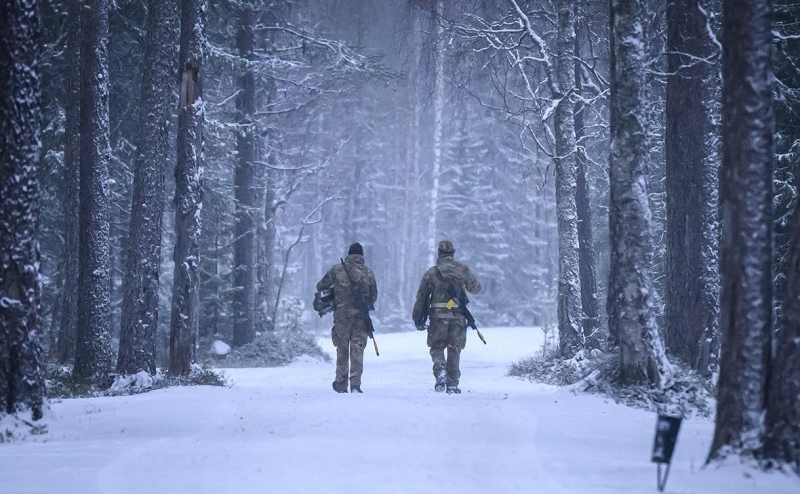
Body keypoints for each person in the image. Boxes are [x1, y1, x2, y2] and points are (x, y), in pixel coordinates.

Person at [412, 240, 481, 394]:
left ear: (439, 253)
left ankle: (440, 369)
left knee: (437, 346)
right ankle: (452, 383)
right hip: (458, 316)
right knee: (455, 348)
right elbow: (475, 289)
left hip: (437, 317)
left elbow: (421, 297)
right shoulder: (463, 270)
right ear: (453, 253)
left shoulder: (431, 273)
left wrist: (417, 317)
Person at [316, 242, 378, 393]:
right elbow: (373, 296)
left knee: (342, 348)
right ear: (361, 256)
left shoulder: (337, 270)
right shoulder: (368, 273)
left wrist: (336, 294)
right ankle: (356, 384)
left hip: (342, 315)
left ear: (349, 254)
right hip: (361, 316)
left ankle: (341, 383)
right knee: (358, 349)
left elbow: (321, 286)